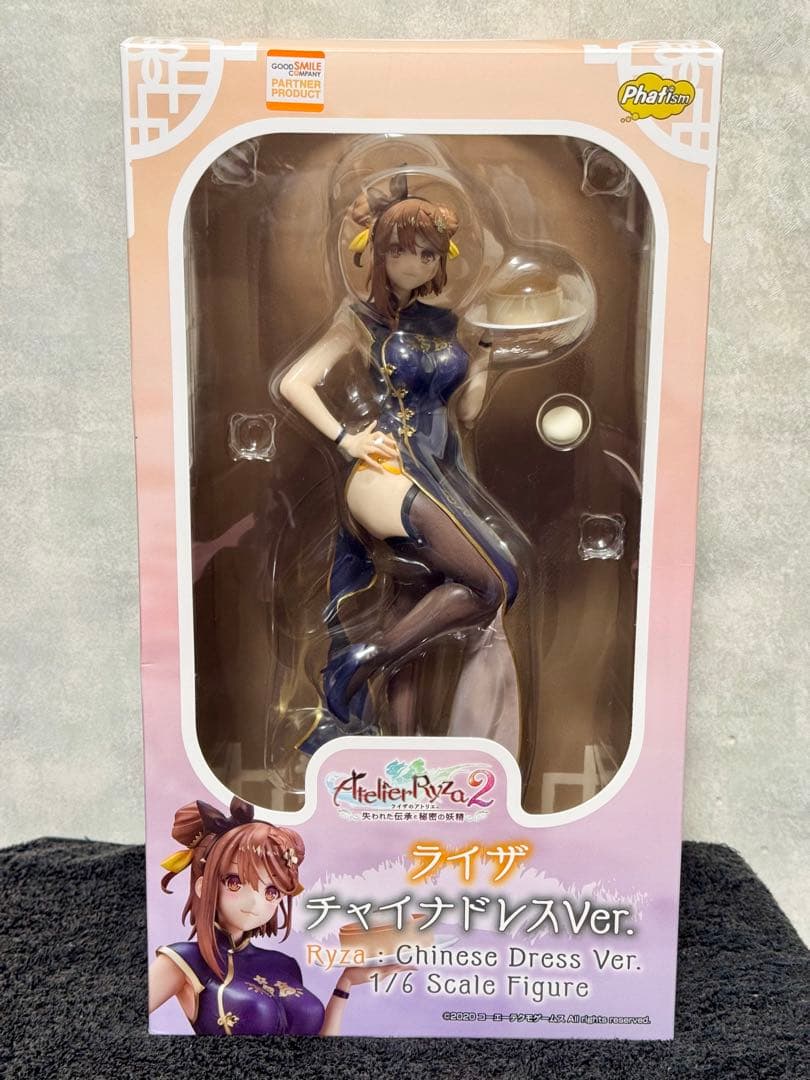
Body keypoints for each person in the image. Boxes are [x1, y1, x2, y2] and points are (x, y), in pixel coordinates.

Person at [279, 173, 525, 756]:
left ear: (441, 259)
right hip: (386, 472)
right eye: (400, 251)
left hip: (440, 472)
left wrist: (483, 361)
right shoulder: (358, 319)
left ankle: (403, 755)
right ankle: (360, 660)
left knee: (414, 609)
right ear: (377, 253)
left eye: (427, 254)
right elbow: (294, 382)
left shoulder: (445, 323)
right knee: (492, 583)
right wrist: (346, 439)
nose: (413, 264)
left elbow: (466, 411)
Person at [149, 796, 400, 1036]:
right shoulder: (183, 960)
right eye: (235, 882)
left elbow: (322, 1050)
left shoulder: (283, 964)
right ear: (204, 886)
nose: (255, 901)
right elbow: (130, 1028)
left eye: (271, 891)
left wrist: (346, 982)